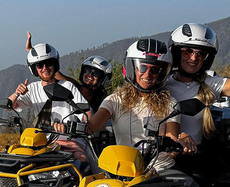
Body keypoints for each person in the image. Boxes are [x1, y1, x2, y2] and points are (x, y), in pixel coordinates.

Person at [84, 39, 197, 173]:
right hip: (124, 169)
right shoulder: (115, 100)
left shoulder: (170, 103)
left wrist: (181, 142)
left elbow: (172, 147)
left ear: (161, 73)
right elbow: (91, 127)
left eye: (154, 70)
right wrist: (69, 126)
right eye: (142, 68)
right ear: (132, 68)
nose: (147, 75)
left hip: (158, 170)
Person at [166, 22, 230, 150]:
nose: (193, 58)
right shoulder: (162, 83)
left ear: (207, 58)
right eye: (188, 51)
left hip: (193, 155)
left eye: (201, 54)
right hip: (161, 154)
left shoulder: (210, 84)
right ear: (176, 53)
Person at [9, 42, 89, 161]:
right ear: (34, 69)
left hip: (68, 139)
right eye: (40, 65)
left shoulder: (67, 86)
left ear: (55, 64)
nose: (45, 68)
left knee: (80, 158)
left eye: (48, 63)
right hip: (40, 142)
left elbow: (86, 113)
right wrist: (17, 93)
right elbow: (10, 105)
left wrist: (73, 127)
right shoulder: (32, 88)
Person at [25, 32, 112, 112]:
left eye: (96, 73)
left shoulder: (104, 102)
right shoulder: (73, 87)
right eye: (87, 70)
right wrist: (34, 54)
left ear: (102, 79)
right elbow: (53, 73)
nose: (90, 75)